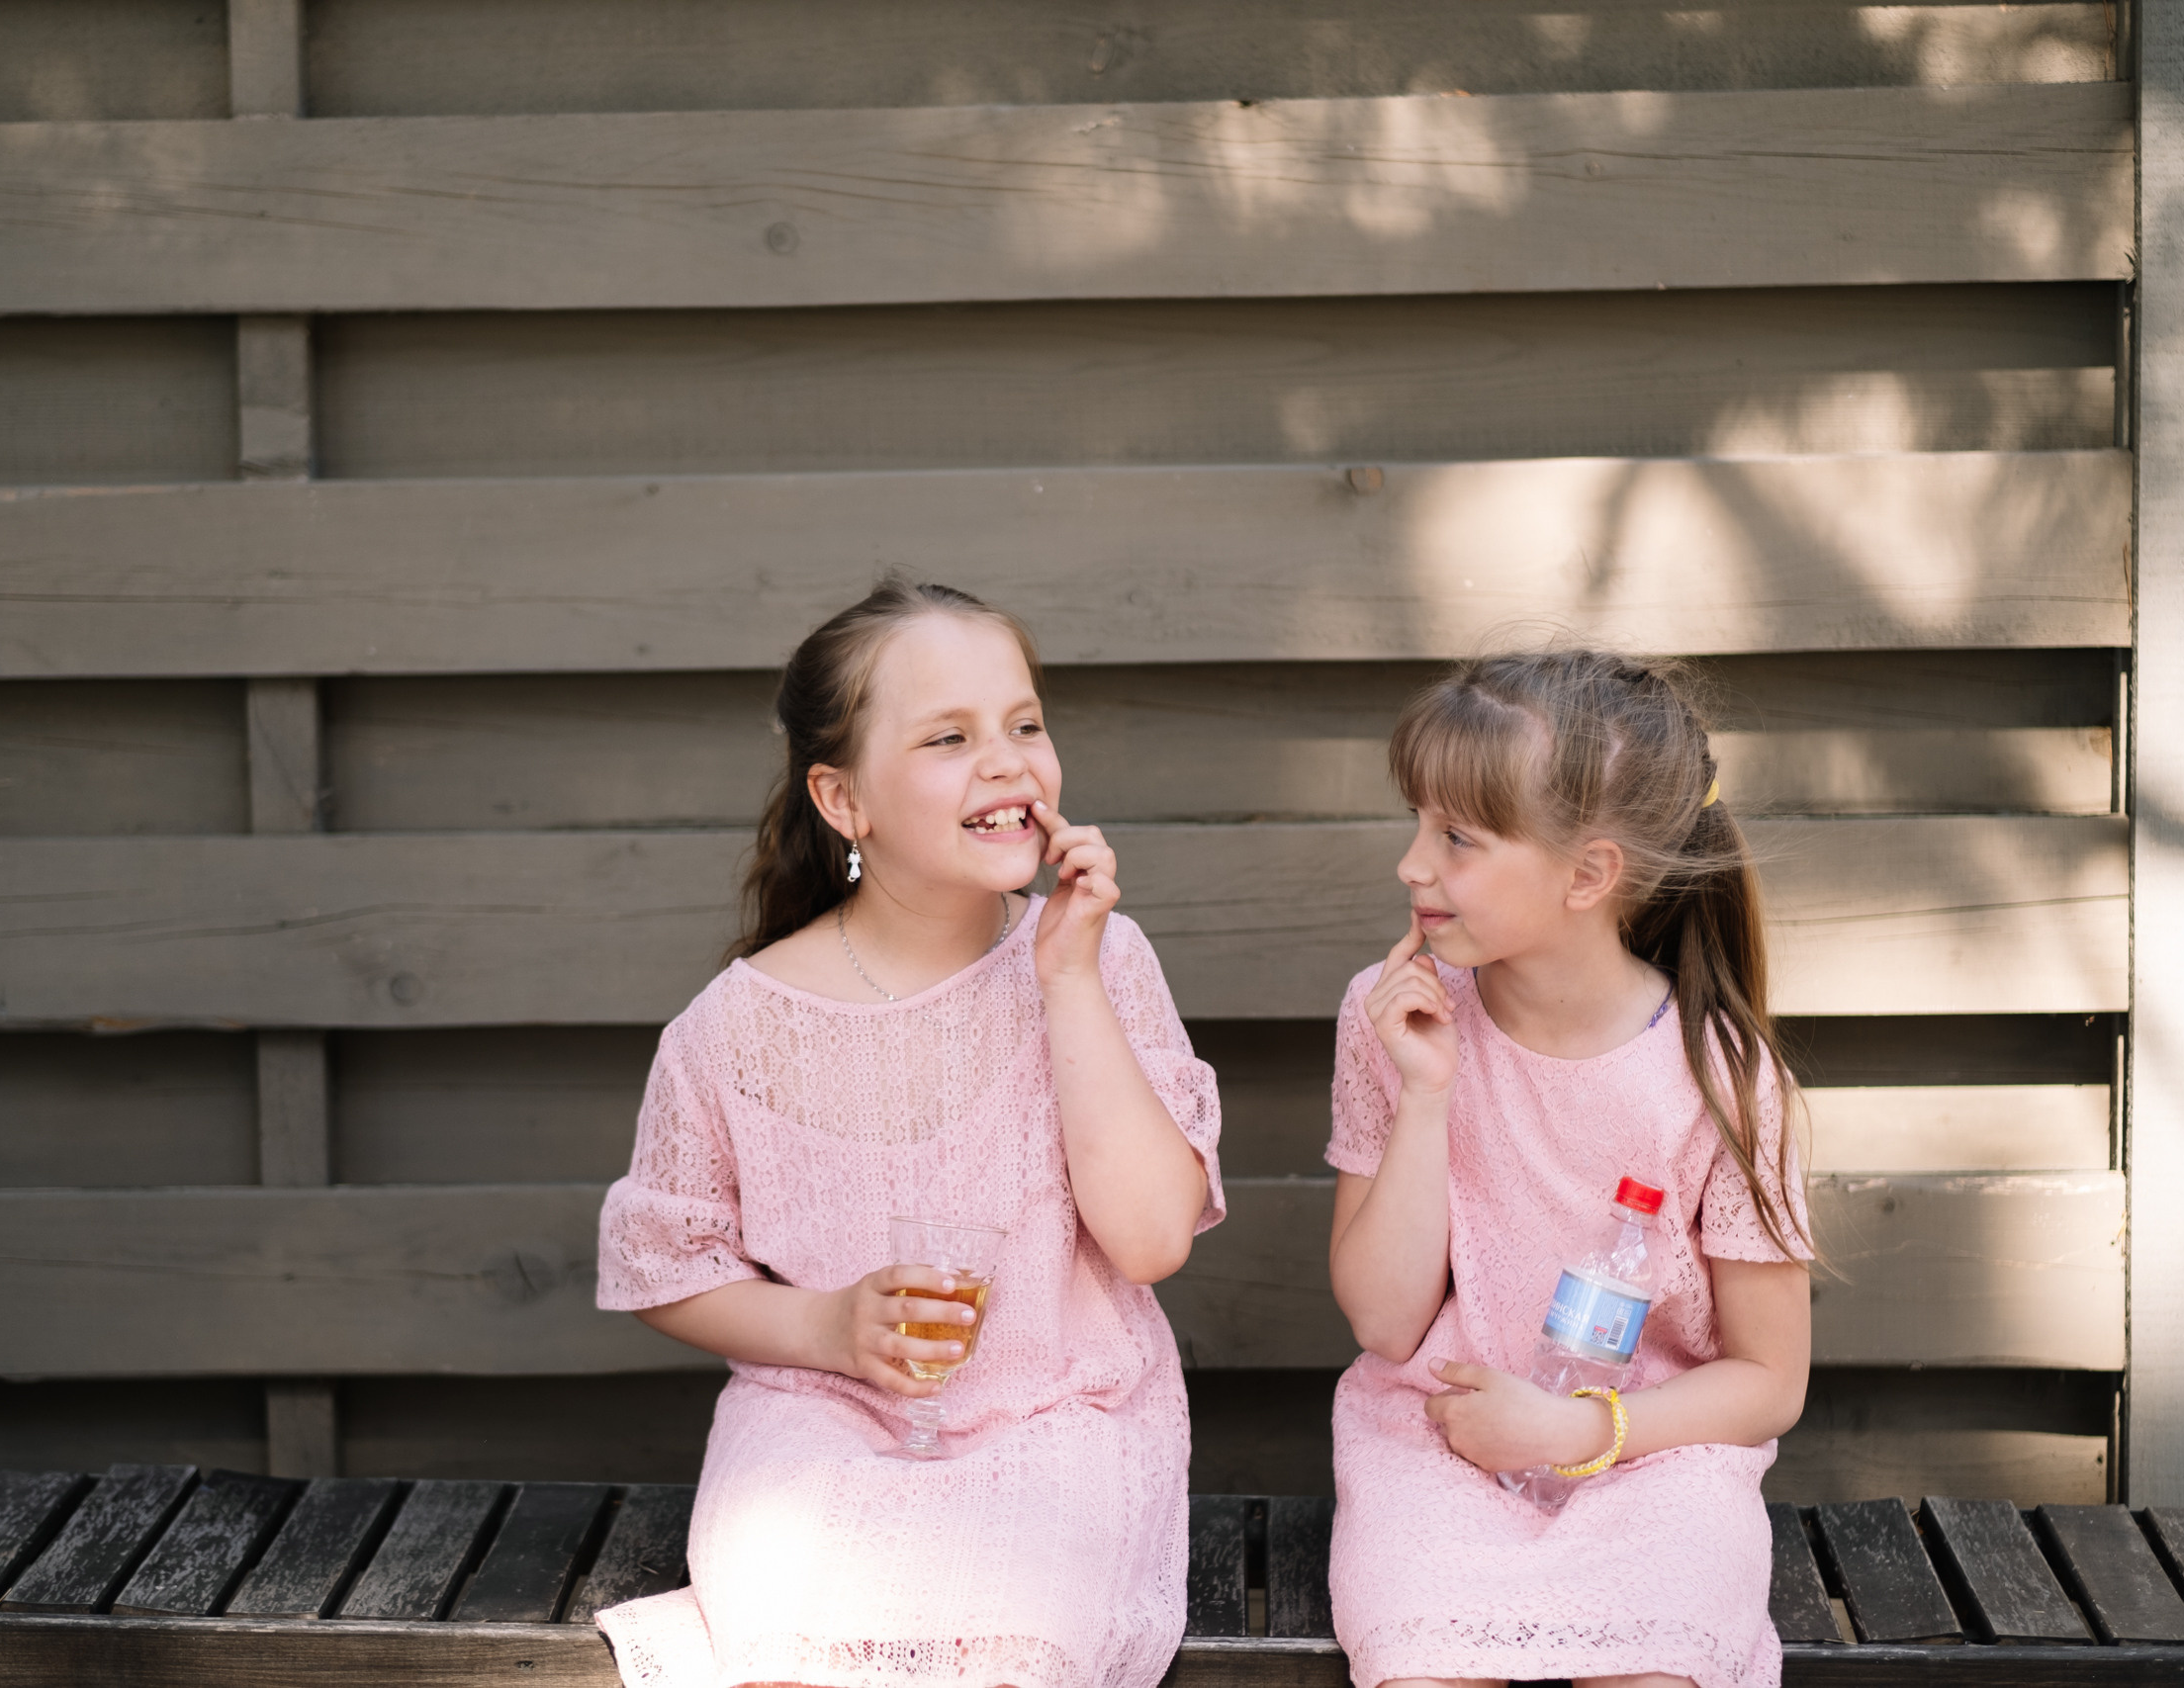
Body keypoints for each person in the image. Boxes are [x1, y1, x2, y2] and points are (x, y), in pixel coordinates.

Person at [593, 578, 1225, 1688]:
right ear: (843, 799)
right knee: (791, 1636)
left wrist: (1069, 979)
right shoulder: (734, 1029)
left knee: (1014, 1640)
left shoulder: (1103, 961)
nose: (1007, 762)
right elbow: (664, 1265)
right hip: (819, 1425)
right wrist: (828, 1325)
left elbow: (1151, 1240)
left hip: (1056, 1420)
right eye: (949, 737)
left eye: (1024, 725)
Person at [1324, 649, 1814, 1688]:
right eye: (1418, 823)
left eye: (1457, 837)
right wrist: (1425, 1094)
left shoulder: (1723, 1077)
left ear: (1588, 875)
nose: (1411, 864)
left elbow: (1770, 1381)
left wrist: (1578, 1428)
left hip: (1655, 1461)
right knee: (1423, 1668)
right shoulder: (1391, 1014)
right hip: (1438, 1444)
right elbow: (1383, 1323)